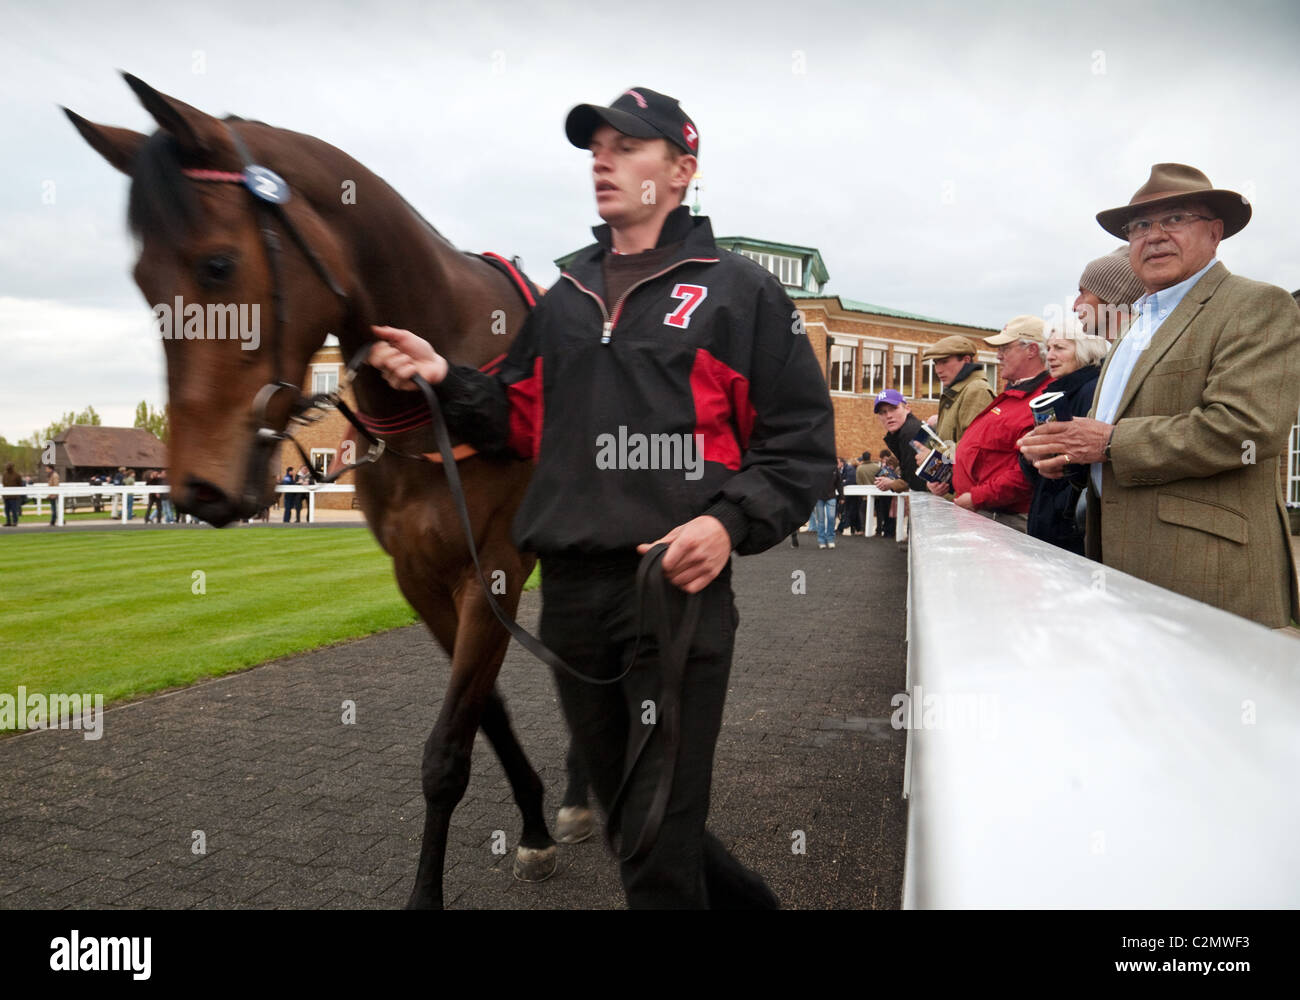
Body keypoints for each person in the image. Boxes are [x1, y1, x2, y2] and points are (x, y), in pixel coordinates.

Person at [366, 85, 835, 907]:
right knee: (630, 822)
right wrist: (444, 377)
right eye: (595, 148)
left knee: (654, 843)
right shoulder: (565, 299)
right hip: (572, 598)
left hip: (674, 592)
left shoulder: (741, 293)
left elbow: (800, 446)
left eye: (627, 146)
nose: (603, 161)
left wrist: (727, 525)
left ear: (682, 169)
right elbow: (521, 417)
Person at [1020, 163, 1300, 628]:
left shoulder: (1258, 305)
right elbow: (1109, 436)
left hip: (1207, 576)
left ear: (1215, 232)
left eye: (1176, 218)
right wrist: (1071, 459)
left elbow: (1247, 428)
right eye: (1141, 225)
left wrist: (1107, 444)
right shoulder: (1134, 326)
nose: (1154, 235)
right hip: (1119, 568)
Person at [945, 316, 1050, 530]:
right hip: (988, 513)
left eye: (1005, 348)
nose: (998, 355)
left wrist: (976, 498)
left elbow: (1028, 472)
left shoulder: (1042, 401)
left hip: (1003, 519)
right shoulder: (1015, 395)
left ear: (1031, 350)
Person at [1018, 330, 1109, 553]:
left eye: (1059, 348)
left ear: (1085, 351)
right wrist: (1030, 455)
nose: (1049, 356)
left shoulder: (1092, 390)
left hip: (1069, 527)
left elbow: (1084, 463)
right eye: (1048, 348)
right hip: (1050, 518)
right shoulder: (1054, 393)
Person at [925, 335, 995, 448]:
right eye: (936, 363)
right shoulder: (957, 392)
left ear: (966, 360)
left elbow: (973, 447)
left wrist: (934, 458)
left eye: (944, 362)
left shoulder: (976, 391)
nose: (938, 370)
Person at [1075, 246, 1146, 340]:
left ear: (1110, 298)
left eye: (1083, 294)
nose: (1075, 307)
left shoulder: (1142, 351)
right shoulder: (1128, 351)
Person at [812, 462, 843, 549]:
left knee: (831, 517)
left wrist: (842, 496)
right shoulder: (816, 469)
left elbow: (839, 483)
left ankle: (830, 539)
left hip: (831, 497)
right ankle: (821, 540)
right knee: (821, 520)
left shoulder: (834, 469)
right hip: (819, 497)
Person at [3, 462, 22, 526]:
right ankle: (8, 522)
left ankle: (15, 521)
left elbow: (20, 485)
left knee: (14, 510)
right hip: (6, 496)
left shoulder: (17, 475)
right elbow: (4, 484)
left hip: (14, 496)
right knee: (7, 510)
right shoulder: (5, 475)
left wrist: (17, 493)